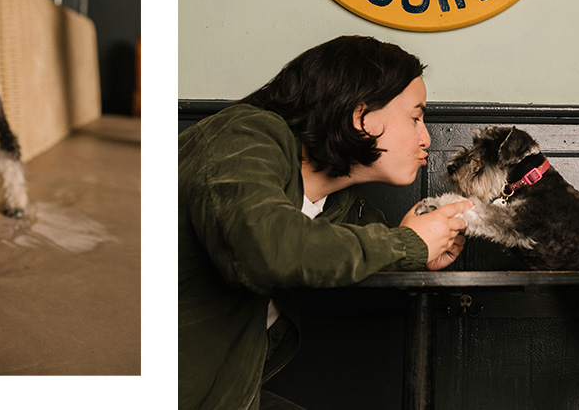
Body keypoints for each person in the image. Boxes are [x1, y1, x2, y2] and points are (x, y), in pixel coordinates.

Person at [178, 35, 472, 410]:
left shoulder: (337, 204)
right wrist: (408, 244)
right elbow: (269, 249)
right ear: (361, 117)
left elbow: (370, 246)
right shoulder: (242, 137)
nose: (426, 138)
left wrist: (420, 251)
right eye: (415, 117)